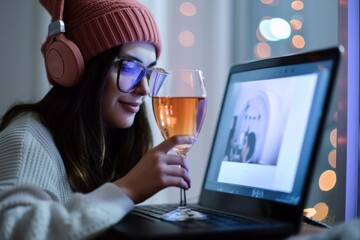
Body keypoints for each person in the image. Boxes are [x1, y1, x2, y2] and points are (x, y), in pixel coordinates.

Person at [0, 0, 194, 239]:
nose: (144, 89)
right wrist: (126, 189)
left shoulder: (107, 142)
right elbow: (10, 229)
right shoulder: (26, 140)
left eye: (149, 72)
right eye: (131, 68)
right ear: (81, 68)